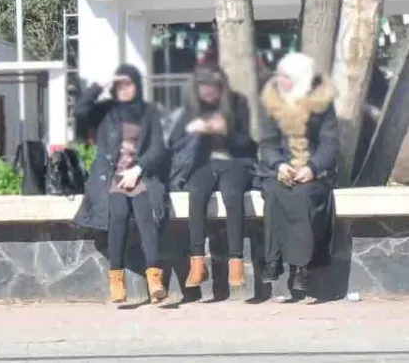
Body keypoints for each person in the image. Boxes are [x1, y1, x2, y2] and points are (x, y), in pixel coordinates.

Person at [72, 64, 168, 304]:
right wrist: (99, 86)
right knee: (119, 214)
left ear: (137, 85)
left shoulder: (149, 113)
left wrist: (138, 169)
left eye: (129, 84)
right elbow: (80, 111)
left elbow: (158, 148)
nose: (125, 89)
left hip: (141, 174)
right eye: (120, 85)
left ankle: (155, 280)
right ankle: (117, 281)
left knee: (146, 216)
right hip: (112, 176)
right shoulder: (106, 111)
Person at [168, 64, 255, 289]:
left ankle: (236, 261)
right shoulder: (192, 108)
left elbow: (247, 142)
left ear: (221, 87)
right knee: (196, 194)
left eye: (211, 88)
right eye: (202, 88)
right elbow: (174, 141)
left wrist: (225, 131)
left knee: (232, 194)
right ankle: (197, 262)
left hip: (234, 162)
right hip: (203, 164)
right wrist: (192, 131)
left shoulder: (238, 102)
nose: (207, 93)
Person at [258, 52, 338, 295]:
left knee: (302, 196)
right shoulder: (272, 101)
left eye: (288, 77)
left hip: (313, 171)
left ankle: (302, 268)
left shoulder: (322, 104)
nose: (281, 81)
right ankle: (273, 261)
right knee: (274, 193)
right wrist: (279, 165)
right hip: (280, 170)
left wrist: (312, 168)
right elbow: (267, 144)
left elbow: (329, 144)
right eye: (280, 76)